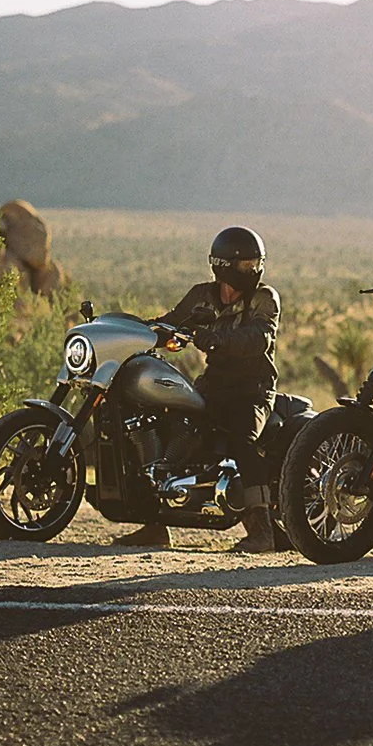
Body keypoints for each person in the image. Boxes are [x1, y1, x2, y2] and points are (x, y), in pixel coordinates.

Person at [113, 226, 283, 552]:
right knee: (165, 428)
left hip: (253, 389)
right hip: (213, 386)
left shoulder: (264, 298)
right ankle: (155, 525)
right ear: (223, 264)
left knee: (242, 439)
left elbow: (259, 338)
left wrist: (216, 339)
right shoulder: (202, 295)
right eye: (247, 265)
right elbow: (172, 323)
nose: (255, 270)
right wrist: (140, 333)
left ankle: (261, 530)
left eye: (257, 263)